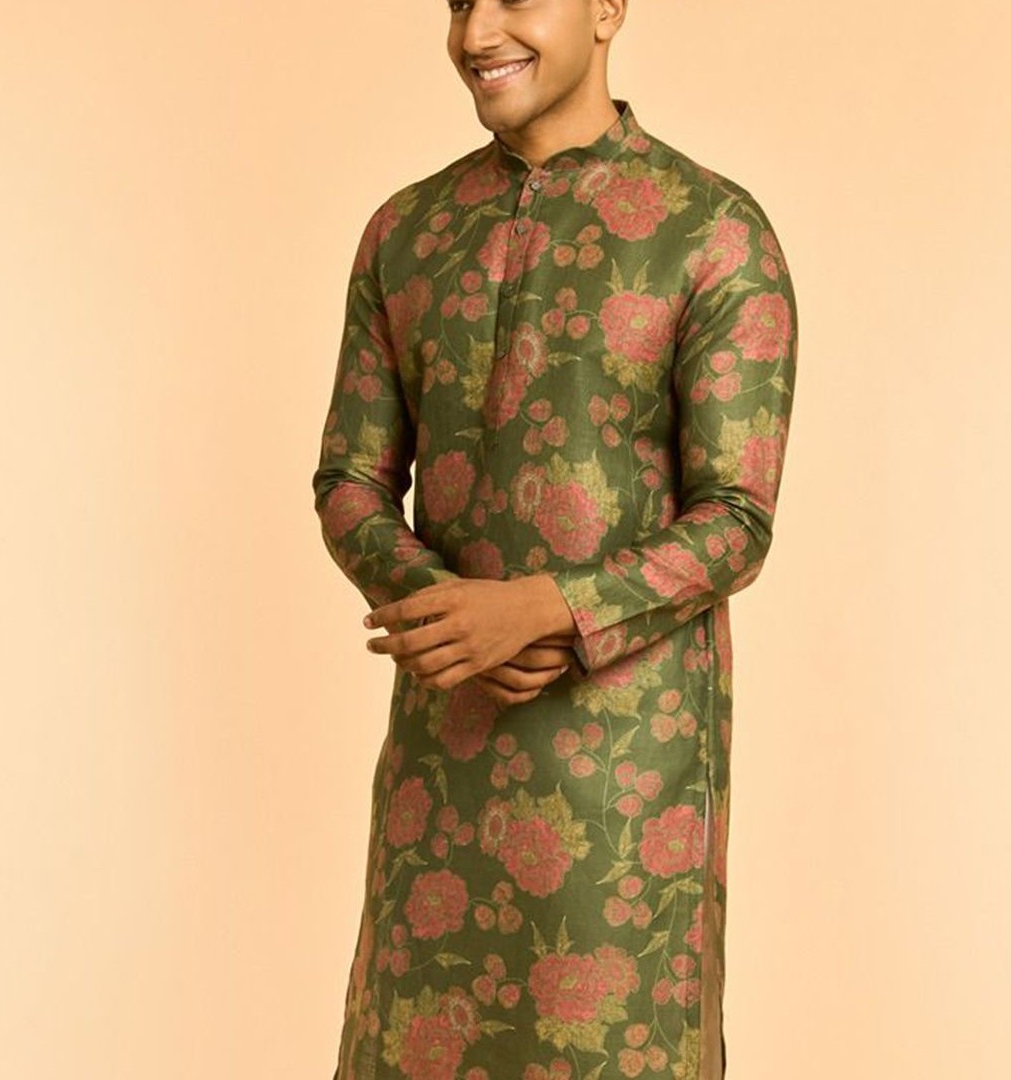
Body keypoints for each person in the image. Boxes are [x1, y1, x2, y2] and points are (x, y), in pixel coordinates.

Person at [311, 1, 798, 1077]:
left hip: (624, 789)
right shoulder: (407, 231)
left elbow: (737, 517)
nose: (478, 31)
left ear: (609, 6)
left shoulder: (711, 229)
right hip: (441, 768)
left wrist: (545, 610)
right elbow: (349, 479)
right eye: (458, 1)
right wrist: (449, 612)